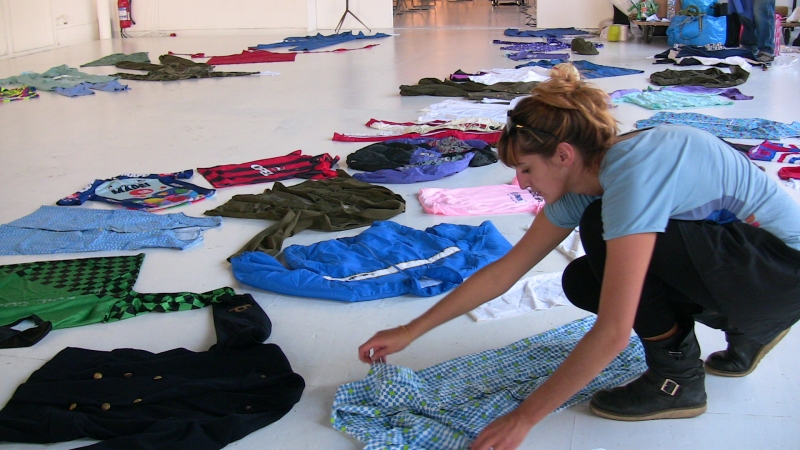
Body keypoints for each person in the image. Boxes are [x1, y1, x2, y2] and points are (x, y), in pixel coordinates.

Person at [357, 63, 800, 450]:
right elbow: (506, 271)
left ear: (563, 155)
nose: (520, 183)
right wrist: (410, 330)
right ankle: (749, 329)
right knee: (584, 279)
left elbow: (613, 332)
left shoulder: (632, 174)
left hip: (785, 273)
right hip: (754, 271)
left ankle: (677, 381)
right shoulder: (590, 176)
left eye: (526, 168)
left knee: (601, 231)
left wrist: (523, 417)